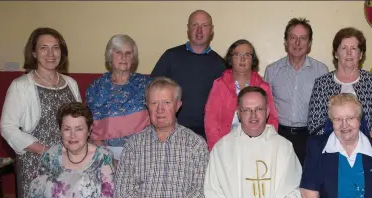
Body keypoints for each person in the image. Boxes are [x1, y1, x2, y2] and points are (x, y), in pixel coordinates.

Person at [104, 77, 209, 198]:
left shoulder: (196, 144)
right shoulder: (134, 144)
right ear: (147, 106)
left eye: (166, 102)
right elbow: (123, 192)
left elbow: (201, 191)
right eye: (154, 103)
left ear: (178, 105)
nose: (160, 110)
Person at [203, 86, 306, 198]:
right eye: (247, 110)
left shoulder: (283, 147)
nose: (253, 115)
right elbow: (213, 192)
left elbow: (297, 191)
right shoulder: (222, 148)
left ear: (267, 112)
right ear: (238, 113)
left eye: (258, 109)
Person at [0, 27, 82, 198]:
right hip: (37, 164)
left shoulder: (71, 83)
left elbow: (81, 121)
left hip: (70, 162)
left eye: (56, 48)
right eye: (44, 48)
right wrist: (46, 151)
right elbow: (7, 127)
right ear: (34, 52)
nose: (51, 54)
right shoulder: (21, 86)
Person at [22, 102, 119, 198]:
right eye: (67, 129)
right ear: (60, 130)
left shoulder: (103, 158)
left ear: (89, 130)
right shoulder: (51, 156)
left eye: (79, 129)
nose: (72, 135)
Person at [150, 9, 226, 139]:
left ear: (212, 30)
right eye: (195, 25)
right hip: (170, 132)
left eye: (205, 26)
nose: (199, 30)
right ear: (188, 29)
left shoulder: (221, 65)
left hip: (206, 135)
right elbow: (152, 92)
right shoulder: (170, 57)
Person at [264, 17, 328, 164]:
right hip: (278, 136)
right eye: (293, 37)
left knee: (306, 183)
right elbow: (266, 106)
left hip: (310, 137)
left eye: (303, 38)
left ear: (309, 43)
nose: (297, 43)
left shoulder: (321, 71)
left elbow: (327, 109)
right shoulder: (272, 71)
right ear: (286, 42)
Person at [307, 27, 372, 141]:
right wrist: (337, 142)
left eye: (354, 48)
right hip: (329, 148)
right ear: (336, 53)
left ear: (360, 54)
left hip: (368, 146)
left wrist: (366, 141)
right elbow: (314, 124)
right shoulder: (322, 83)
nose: (349, 53)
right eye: (344, 48)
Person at [86, 34, 152, 164]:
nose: (124, 57)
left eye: (128, 53)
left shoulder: (147, 84)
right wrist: (108, 159)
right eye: (118, 52)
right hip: (104, 153)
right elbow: (89, 127)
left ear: (133, 58)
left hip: (142, 153)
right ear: (110, 56)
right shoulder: (96, 87)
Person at [205, 39, 279, 150]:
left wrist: (265, 145)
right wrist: (218, 149)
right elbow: (211, 121)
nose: (242, 59)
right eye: (237, 55)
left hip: (258, 146)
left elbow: (272, 120)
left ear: (253, 60)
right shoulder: (220, 85)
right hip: (226, 146)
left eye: (247, 55)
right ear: (230, 59)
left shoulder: (263, 87)